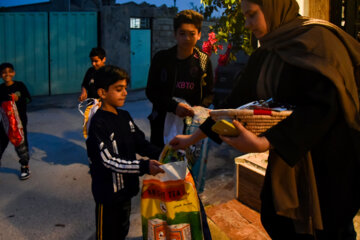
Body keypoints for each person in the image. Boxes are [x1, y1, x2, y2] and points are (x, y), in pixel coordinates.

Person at [170, 0, 360, 239]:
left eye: (252, 15)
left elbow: (322, 108)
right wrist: (193, 137)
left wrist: (265, 142)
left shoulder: (319, 40)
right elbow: (233, 103)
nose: (248, 25)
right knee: (279, 220)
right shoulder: (268, 52)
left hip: (331, 161)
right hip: (288, 158)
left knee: (331, 228)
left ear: (273, 7)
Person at [86, 65, 164, 240]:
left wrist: (162, 154)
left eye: (125, 88)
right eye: (118, 89)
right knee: (107, 235)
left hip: (127, 191)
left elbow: (141, 144)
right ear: (102, 92)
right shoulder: (98, 123)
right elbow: (108, 161)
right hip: (107, 195)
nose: (125, 93)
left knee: (122, 229)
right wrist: (144, 166)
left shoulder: (125, 116)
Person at [146, 9, 214, 149]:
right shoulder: (161, 58)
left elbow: (209, 93)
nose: (187, 38)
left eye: (192, 34)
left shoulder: (203, 61)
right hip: (162, 122)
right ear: (175, 34)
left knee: (187, 166)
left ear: (199, 35)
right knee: (162, 164)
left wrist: (198, 110)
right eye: (182, 33)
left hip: (191, 127)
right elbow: (151, 91)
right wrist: (173, 106)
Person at [0, 62, 32, 180]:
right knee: (1, 142)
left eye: (9, 72)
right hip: (5, 122)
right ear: (0, 75)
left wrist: (18, 98)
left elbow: (28, 99)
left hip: (19, 121)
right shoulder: (1, 89)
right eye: (3, 73)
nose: (6, 74)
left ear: (13, 73)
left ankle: (25, 166)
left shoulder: (20, 85)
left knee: (21, 143)